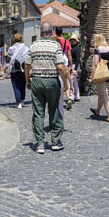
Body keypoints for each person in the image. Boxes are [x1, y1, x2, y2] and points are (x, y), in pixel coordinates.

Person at [25, 23, 69, 153]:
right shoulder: (56, 46)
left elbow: (27, 65)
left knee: (38, 113)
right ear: (52, 32)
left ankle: (40, 144)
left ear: (40, 32)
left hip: (37, 81)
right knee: (54, 110)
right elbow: (60, 67)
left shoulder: (33, 46)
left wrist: (27, 80)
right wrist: (65, 83)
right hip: (51, 81)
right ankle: (55, 142)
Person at [90, 33, 109, 123]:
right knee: (101, 93)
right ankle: (97, 111)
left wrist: (91, 76)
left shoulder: (97, 50)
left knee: (104, 94)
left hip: (101, 73)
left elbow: (95, 64)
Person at [5, 33, 29, 108]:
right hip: (23, 69)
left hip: (14, 69)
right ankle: (22, 100)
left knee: (16, 85)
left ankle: (18, 102)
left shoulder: (11, 48)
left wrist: (5, 49)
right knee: (23, 84)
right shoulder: (25, 48)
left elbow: (8, 57)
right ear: (21, 39)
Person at [54, 27, 73, 110]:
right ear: (62, 32)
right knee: (65, 79)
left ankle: (57, 98)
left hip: (56, 59)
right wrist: (71, 65)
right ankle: (68, 97)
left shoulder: (54, 40)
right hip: (64, 59)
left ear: (55, 32)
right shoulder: (66, 41)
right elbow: (69, 54)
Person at [69, 35, 81, 102]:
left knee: (70, 81)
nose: (72, 41)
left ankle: (71, 97)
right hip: (72, 66)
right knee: (74, 82)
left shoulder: (76, 48)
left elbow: (77, 59)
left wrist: (75, 69)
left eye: (74, 40)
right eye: (71, 40)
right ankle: (77, 96)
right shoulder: (72, 47)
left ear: (76, 41)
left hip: (73, 66)